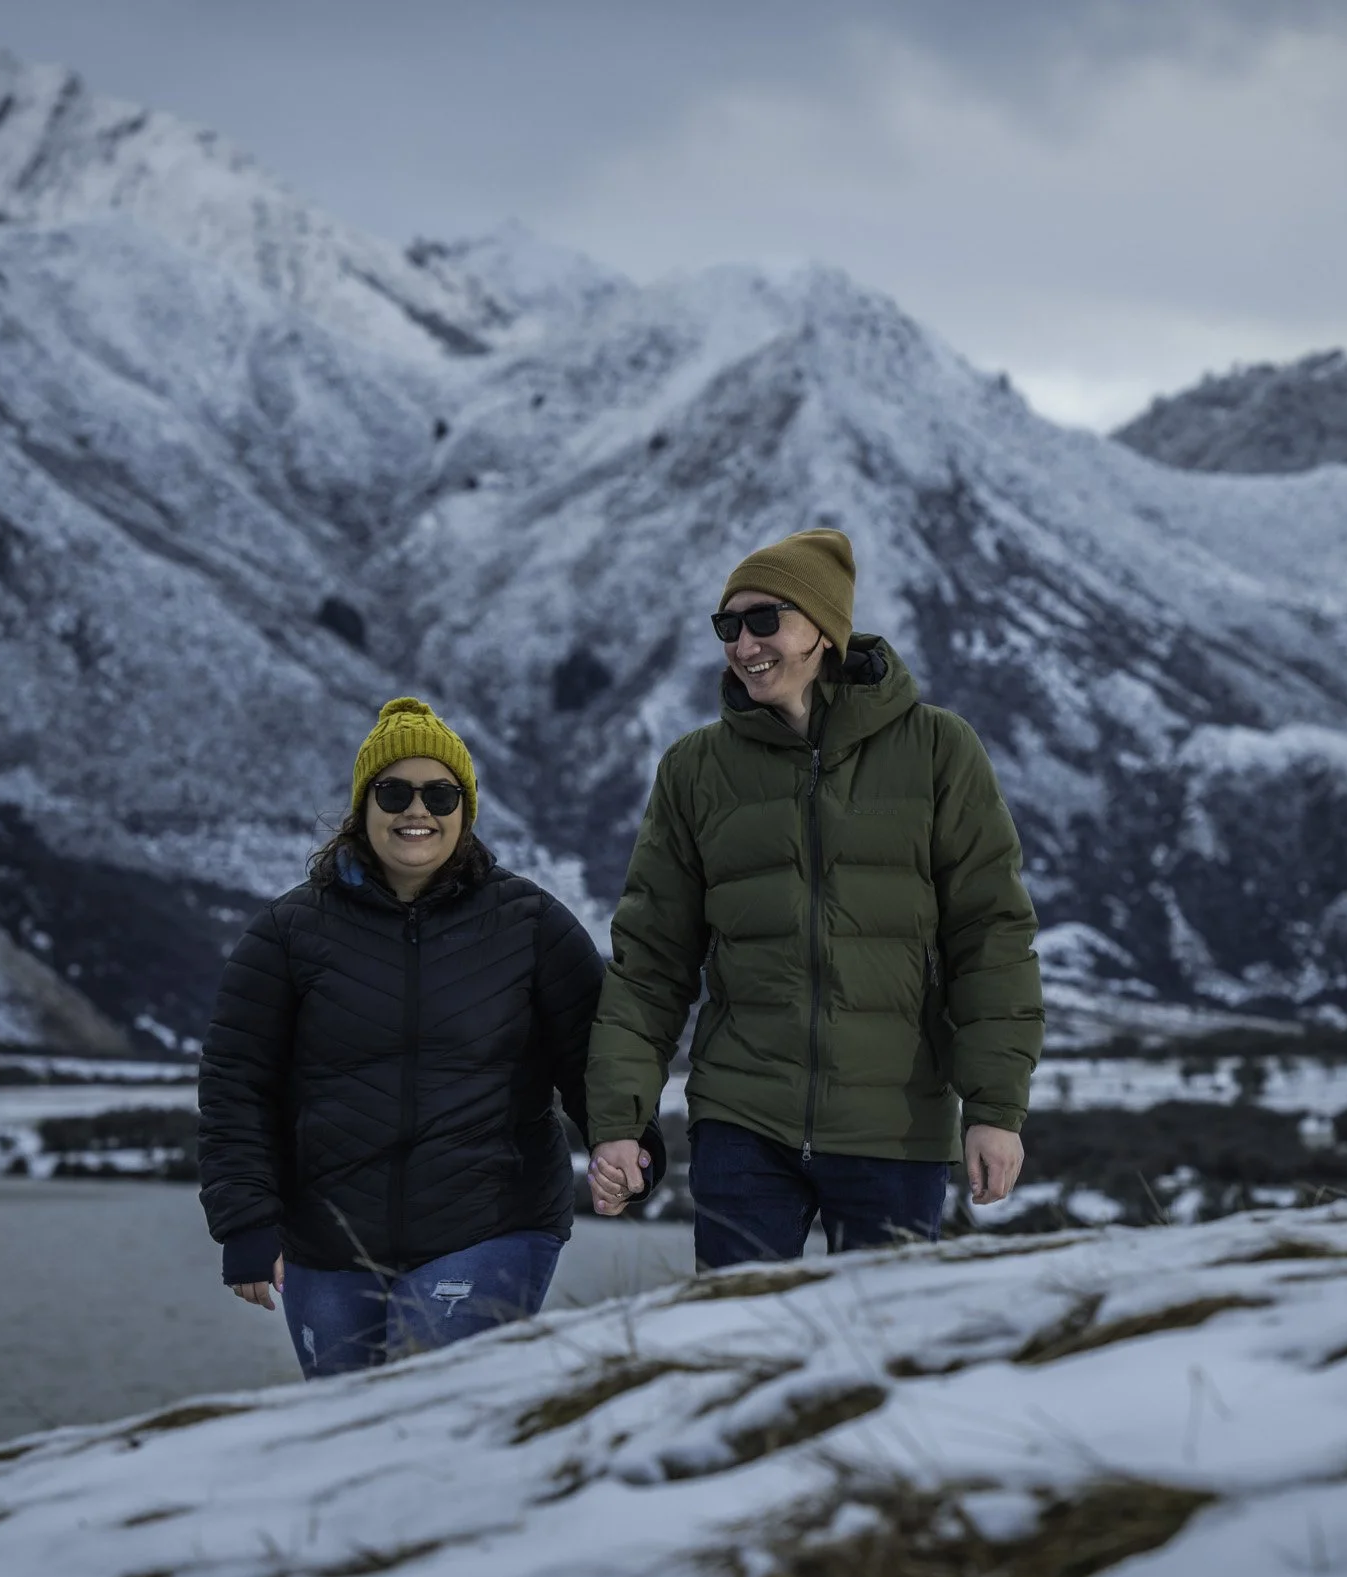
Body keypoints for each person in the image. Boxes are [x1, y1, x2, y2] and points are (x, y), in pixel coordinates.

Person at [583, 529, 1042, 1268]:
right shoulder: (694, 770)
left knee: (886, 1352)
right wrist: (617, 1121)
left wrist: (995, 1108)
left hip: (893, 1126)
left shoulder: (937, 749)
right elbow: (650, 966)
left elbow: (990, 937)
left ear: (825, 629)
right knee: (733, 1346)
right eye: (728, 625)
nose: (744, 643)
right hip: (742, 1123)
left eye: (765, 619)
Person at [196, 697, 659, 1377]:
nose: (418, 810)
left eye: (440, 793)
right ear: (364, 807)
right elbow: (236, 1082)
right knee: (346, 1433)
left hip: (489, 1226)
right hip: (328, 1241)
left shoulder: (530, 924)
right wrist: (244, 1221)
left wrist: (629, 1146)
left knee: (433, 1405)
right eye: (395, 792)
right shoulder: (288, 933)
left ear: (465, 810)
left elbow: (596, 1051)